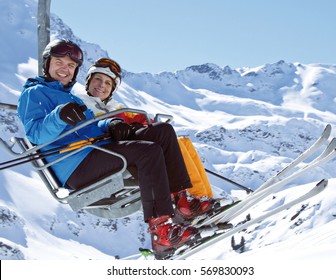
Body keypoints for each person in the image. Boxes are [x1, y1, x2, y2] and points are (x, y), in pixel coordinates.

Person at [17, 39, 215, 257]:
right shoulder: (34, 93)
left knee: (162, 132)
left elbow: (92, 125)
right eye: (59, 62)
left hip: (98, 151)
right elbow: (35, 134)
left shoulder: (72, 97)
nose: (65, 69)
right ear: (47, 63)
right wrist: (59, 115)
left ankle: (182, 201)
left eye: (71, 66)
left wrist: (111, 124)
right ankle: (161, 232)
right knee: (147, 151)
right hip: (75, 164)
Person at [78, 57, 214, 199]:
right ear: (88, 81)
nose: (102, 85)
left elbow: (142, 120)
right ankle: (195, 197)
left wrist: (138, 125)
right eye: (97, 79)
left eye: (108, 83)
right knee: (171, 145)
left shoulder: (116, 107)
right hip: (111, 152)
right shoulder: (81, 105)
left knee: (181, 142)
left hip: (128, 144)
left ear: (112, 89)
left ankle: (207, 197)